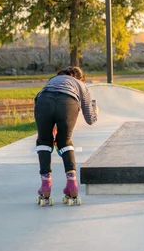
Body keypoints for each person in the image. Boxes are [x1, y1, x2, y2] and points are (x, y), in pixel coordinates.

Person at [34, 66, 98, 205]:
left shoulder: (53, 80)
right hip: (68, 103)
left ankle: (45, 186)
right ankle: (72, 185)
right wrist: (95, 109)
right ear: (81, 78)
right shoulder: (81, 85)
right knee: (65, 141)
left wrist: (47, 128)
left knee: (44, 141)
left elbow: (39, 98)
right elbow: (90, 119)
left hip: (43, 102)